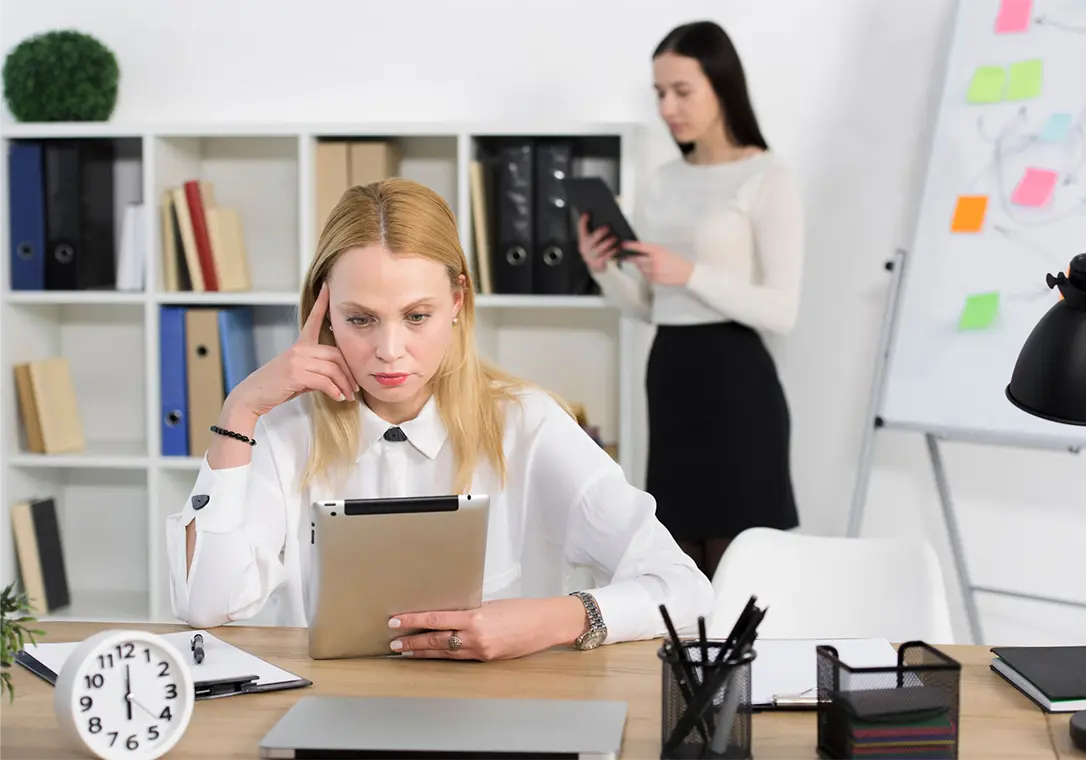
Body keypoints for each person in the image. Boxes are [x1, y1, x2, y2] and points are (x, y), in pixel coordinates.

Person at [167, 178, 713, 661]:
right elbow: (206, 606)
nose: (390, 350)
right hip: (332, 720)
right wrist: (238, 411)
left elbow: (685, 589)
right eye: (360, 319)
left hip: (501, 720)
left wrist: (551, 620)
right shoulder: (284, 430)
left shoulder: (529, 425)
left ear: (457, 300)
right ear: (323, 309)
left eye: (416, 317)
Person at [579, 20, 805, 580]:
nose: (667, 106)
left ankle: (745, 672)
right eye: (659, 93)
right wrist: (601, 270)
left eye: (682, 91)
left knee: (741, 568)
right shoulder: (662, 181)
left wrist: (689, 272)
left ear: (722, 87)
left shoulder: (767, 176)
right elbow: (653, 307)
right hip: (673, 374)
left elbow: (782, 309)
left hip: (737, 383)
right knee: (678, 567)